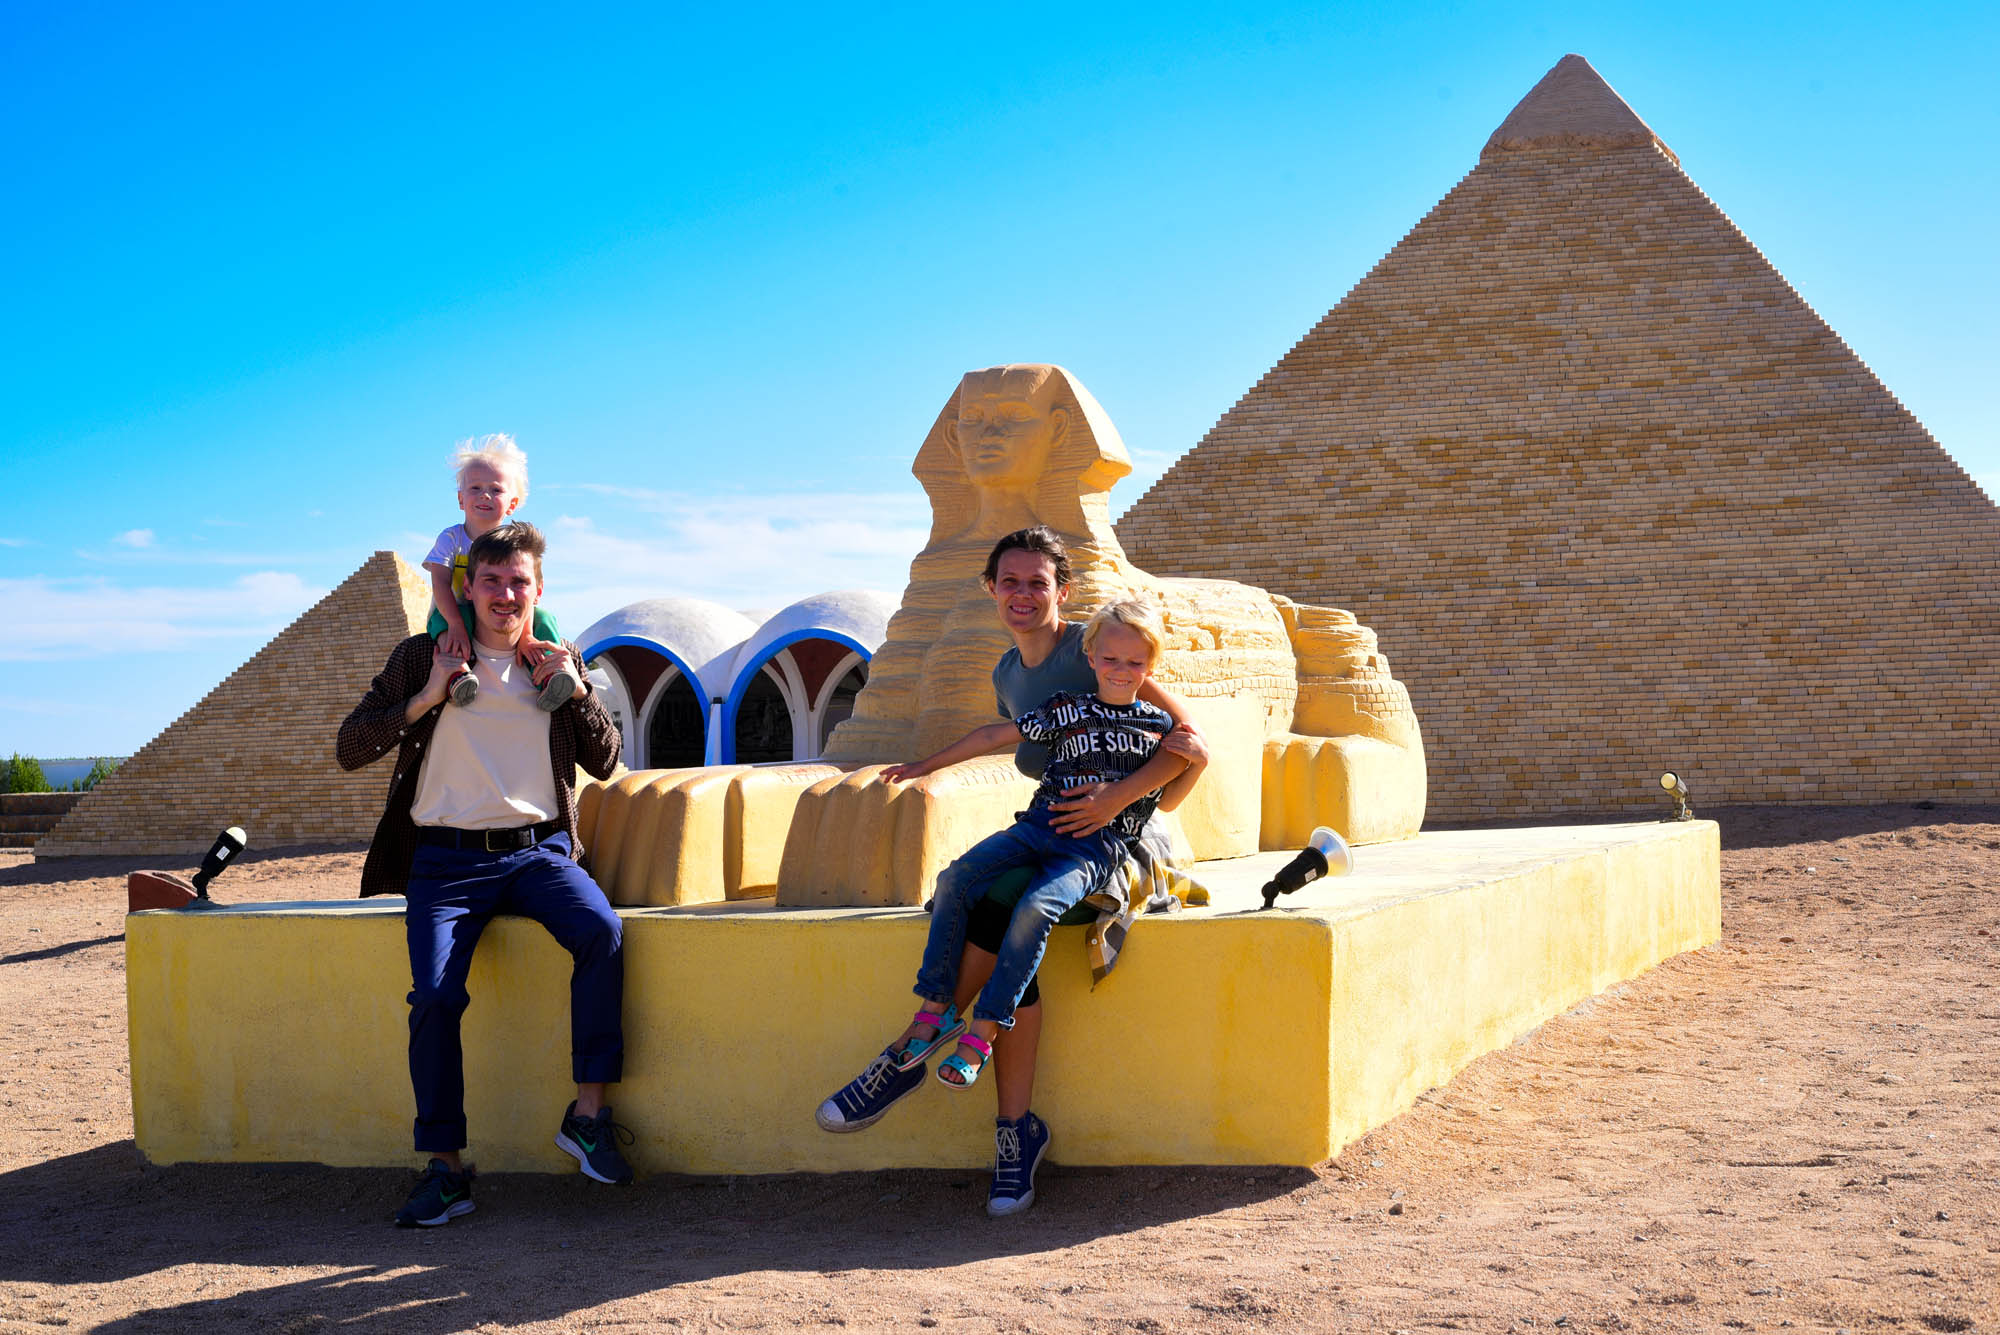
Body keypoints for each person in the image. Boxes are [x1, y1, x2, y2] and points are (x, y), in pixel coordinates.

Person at [817, 527, 1209, 1217]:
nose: (1023, 595)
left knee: (1003, 905)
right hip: (1054, 826)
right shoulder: (1008, 675)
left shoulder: (1102, 645)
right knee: (977, 891)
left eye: (1038, 582)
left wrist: (1114, 799)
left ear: (1065, 591)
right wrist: (924, 764)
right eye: (1010, 581)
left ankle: (912, 1050)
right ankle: (1010, 1126)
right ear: (990, 589)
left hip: (1119, 838)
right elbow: (1008, 738)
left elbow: (1186, 742)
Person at [336, 521, 632, 1227]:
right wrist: (428, 695)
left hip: (537, 853)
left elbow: (605, 759)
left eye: (518, 581)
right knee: (435, 998)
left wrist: (576, 691)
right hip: (444, 861)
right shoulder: (424, 656)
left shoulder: (556, 657)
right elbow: (350, 746)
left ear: (538, 588)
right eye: (491, 581)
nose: (505, 594)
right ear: (466, 588)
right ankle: (446, 1169)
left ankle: (587, 1116)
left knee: (602, 930)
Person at [424, 434, 582, 711]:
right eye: (475, 487)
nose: (484, 495)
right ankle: (457, 676)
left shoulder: (517, 546)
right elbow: (440, 583)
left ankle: (550, 676)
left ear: (512, 503)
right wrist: (456, 624)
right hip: (455, 609)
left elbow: (525, 595)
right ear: (461, 499)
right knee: (444, 628)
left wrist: (527, 635)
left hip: (500, 613)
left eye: (495, 489)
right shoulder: (451, 539)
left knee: (545, 618)